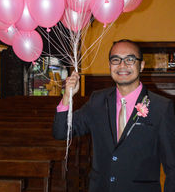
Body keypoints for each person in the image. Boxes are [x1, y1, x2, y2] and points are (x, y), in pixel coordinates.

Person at [53, 39, 175, 192]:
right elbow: (61, 132)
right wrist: (67, 97)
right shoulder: (97, 101)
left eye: (130, 59)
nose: (122, 65)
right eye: (115, 60)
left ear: (141, 65)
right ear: (110, 66)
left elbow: (172, 168)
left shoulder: (161, 107)